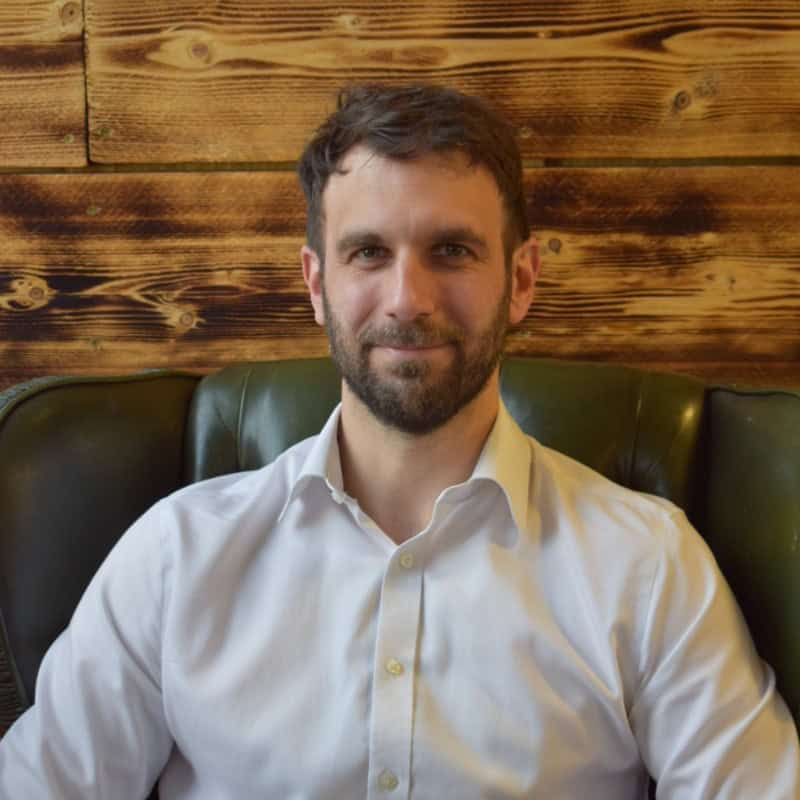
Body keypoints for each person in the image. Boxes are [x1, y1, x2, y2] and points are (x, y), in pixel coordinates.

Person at [0, 84, 798, 799]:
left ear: (521, 280)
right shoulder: (177, 558)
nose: (407, 299)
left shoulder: (647, 568)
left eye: (451, 250)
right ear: (317, 284)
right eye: (368, 253)